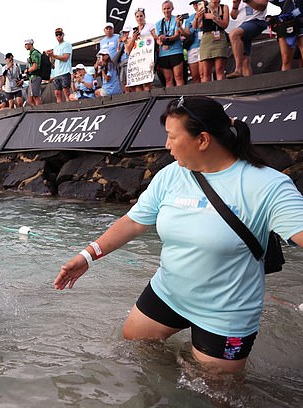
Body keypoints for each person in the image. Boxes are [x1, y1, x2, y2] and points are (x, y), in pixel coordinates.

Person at [54, 95, 303, 374]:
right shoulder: (172, 175)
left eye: (172, 136)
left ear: (203, 140)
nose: (166, 145)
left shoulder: (268, 186)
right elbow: (134, 222)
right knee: (135, 347)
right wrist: (87, 257)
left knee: (216, 396)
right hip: (168, 292)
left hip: (226, 313)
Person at [228, 0, 269, 78]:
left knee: (233, 34)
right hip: (241, 26)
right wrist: (235, 6)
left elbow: (262, 7)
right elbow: (233, 16)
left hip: (256, 21)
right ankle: (249, 84)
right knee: (245, 59)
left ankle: (237, 69)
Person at [195, 0, 231, 82]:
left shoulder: (224, 7)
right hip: (207, 38)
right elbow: (196, 26)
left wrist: (215, 18)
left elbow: (225, 25)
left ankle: (221, 92)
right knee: (206, 71)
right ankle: (207, 93)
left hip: (220, 37)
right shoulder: (203, 7)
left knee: (219, 69)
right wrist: (197, 17)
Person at [154, 0, 185, 87]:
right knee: (168, 79)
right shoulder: (158, 23)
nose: (166, 10)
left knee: (178, 77)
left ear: (172, 8)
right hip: (163, 54)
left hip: (176, 52)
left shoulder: (176, 19)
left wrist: (166, 38)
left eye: (168, 8)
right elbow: (158, 40)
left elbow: (176, 35)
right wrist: (159, 40)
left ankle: (182, 97)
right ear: (162, 10)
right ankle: (170, 100)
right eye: (164, 9)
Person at [125, 8, 157, 91]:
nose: (139, 18)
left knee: (147, 82)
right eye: (137, 16)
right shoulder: (133, 31)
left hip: (147, 56)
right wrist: (133, 38)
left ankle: (150, 99)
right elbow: (128, 50)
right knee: (138, 84)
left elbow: (155, 38)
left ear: (144, 16)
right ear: (135, 18)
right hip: (137, 60)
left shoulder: (150, 26)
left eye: (141, 16)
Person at [269, 0, 303, 70]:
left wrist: (296, 12)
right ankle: (285, 78)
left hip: (301, 22)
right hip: (286, 24)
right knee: (286, 58)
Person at [46, 27, 72, 103]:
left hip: (65, 71)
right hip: (57, 73)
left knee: (66, 91)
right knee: (57, 93)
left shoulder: (67, 44)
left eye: (60, 34)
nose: (58, 36)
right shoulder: (55, 47)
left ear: (63, 34)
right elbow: (52, 62)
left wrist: (53, 55)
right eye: (56, 35)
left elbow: (65, 57)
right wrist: (50, 55)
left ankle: (69, 107)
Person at [180, 1, 204, 83]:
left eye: (198, 3)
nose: (196, 5)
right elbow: (187, 32)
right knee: (195, 76)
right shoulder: (190, 18)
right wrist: (179, 27)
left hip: (204, 46)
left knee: (203, 74)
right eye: (194, 4)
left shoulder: (208, 13)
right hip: (192, 47)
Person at [24, 39, 43, 106]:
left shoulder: (34, 53)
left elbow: (35, 67)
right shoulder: (31, 53)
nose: (25, 46)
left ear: (30, 44)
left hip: (35, 76)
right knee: (30, 98)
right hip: (32, 78)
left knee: (36, 96)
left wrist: (27, 70)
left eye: (26, 44)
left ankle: (40, 111)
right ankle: (36, 110)